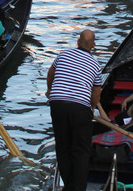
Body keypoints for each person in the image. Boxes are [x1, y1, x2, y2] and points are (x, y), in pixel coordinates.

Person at [46, 29, 109, 191]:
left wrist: (49, 90)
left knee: (63, 146)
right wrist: (93, 109)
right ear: (93, 45)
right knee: (81, 150)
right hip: (80, 108)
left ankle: (69, 185)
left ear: (77, 42)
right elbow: (96, 93)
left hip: (57, 103)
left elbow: (51, 73)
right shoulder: (95, 65)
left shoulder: (63, 55)